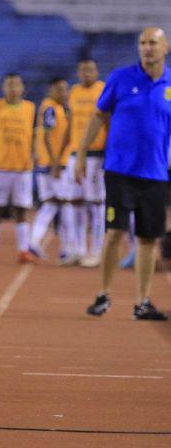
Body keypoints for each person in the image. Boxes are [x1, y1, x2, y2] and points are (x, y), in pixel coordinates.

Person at [83, 28, 171, 321]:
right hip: (120, 170)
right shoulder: (121, 77)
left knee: (148, 239)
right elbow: (99, 115)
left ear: (165, 48)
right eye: (143, 43)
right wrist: (81, 153)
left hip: (156, 174)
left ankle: (142, 302)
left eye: (153, 43)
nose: (148, 48)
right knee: (114, 233)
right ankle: (103, 295)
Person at [0, 73, 36, 264]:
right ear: (3, 88)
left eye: (16, 85)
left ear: (22, 88)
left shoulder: (30, 108)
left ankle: (23, 250)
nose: (13, 89)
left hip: (23, 168)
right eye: (9, 85)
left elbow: (35, 136)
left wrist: (35, 156)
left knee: (22, 209)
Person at [61, 59, 107, 267]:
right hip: (74, 154)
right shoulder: (73, 92)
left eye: (90, 69)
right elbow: (69, 125)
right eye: (83, 70)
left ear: (97, 71)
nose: (86, 73)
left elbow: (109, 121)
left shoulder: (103, 90)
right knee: (74, 202)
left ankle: (97, 250)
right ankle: (78, 249)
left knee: (96, 203)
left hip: (96, 154)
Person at [28, 77, 70, 258]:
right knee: (61, 204)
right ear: (51, 89)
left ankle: (39, 242)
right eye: (60, 89)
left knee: (53, 205)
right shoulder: (51, 108)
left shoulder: (56, 108)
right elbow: (46, 137)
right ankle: (67, 248)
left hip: (48, 163)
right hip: (53, 165)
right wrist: (55, 163)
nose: (64, 93)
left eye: (65, 89)